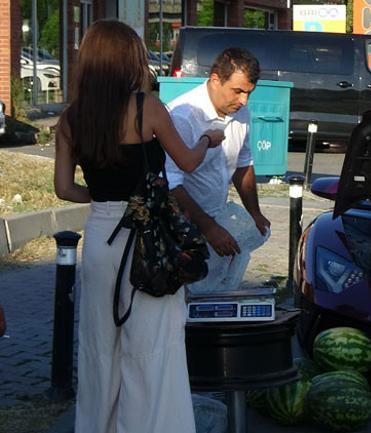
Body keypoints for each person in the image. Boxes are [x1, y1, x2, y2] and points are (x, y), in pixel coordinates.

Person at [53, 20, 224, 433]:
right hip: (149, 241)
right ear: (129, 60)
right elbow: (185, 162)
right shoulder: (145, 107)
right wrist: (207, 139)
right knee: (152, 346)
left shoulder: (71, 118)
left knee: (99, 347)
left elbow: (62, 188)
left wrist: (104, 200)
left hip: (100, 236)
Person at [165, 48, 270, 294]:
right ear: (215, 80)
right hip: (180, 225)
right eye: (238, 91)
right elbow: (170, 184)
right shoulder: (183, 116)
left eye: (249, 93)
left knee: (213, 293)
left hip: (216, 216)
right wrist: (209, 228)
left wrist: (254, 212)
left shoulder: (242, 112)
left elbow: (244, 164)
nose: (244, 100)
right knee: (183, 295)